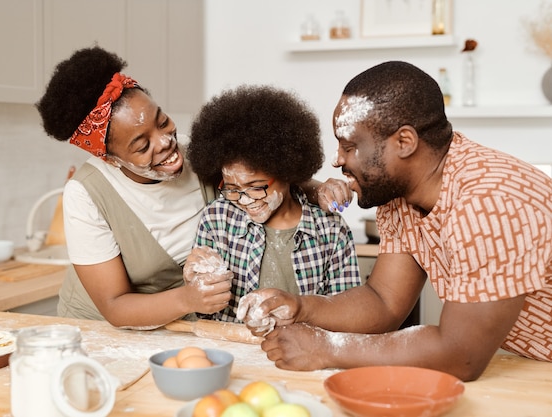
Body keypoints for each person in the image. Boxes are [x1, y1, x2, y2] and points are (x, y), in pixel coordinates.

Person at [238, 61, 552, 381]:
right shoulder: (399, 197)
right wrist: (301, 307)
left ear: (404, 142)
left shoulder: (488, 202)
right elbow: (383, 302)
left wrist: (327, 348)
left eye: (350, 146)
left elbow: (462, 357)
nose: (337, 159)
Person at [36, 46, 351, 329]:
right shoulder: (86, 194)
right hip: (100, 330)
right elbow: (116, 306)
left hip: (179, 325)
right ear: (112, 160)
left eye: (161, 122)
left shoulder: (197, 155)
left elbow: (262, 173)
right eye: (142, 145)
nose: (166, 143)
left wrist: (314, 187)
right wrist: (188, 299)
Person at [185, 85, 362, 325]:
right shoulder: (217, 219)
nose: (245, 200)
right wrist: (197, 287)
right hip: (233, 348)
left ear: (288, 171)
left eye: (256, 186)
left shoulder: (330, 230)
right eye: (233, 190)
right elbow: (206, 315)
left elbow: (347, 314)